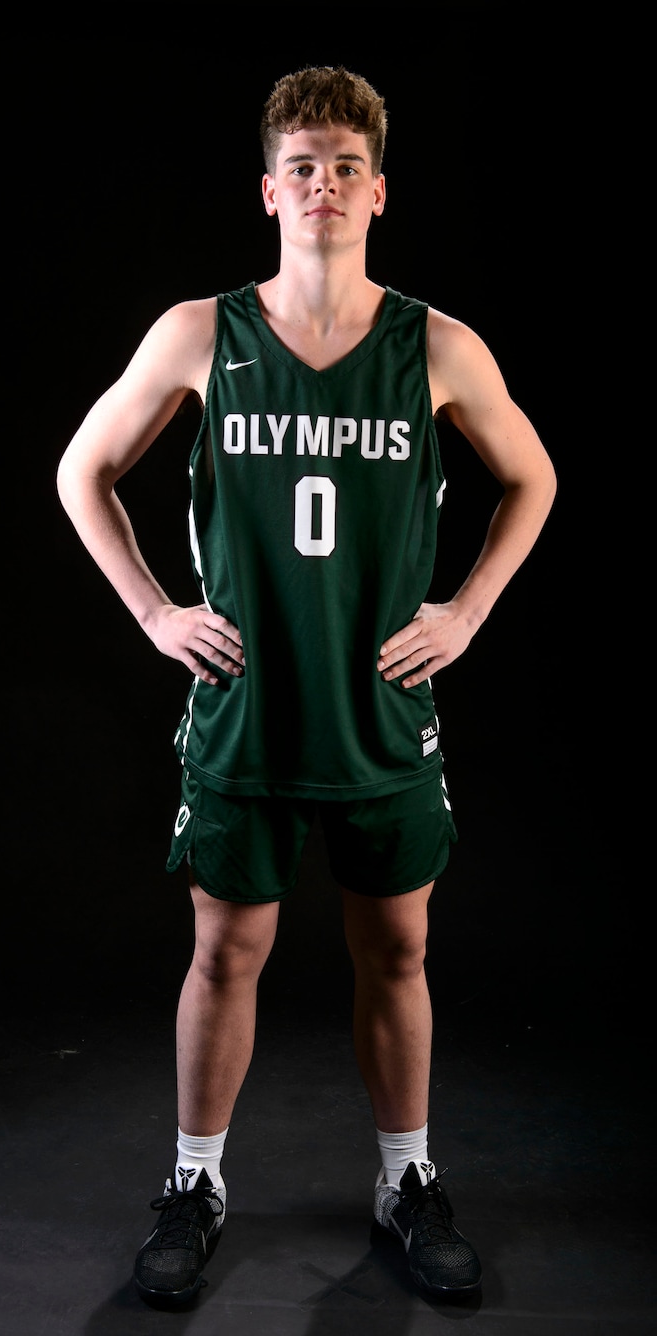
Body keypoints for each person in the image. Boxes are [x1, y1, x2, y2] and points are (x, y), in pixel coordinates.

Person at [56, 64, 556, 1309]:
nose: (321, 182)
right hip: (248, 701)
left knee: (399, 945)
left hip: (381, 704)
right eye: (301, 164)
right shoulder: (197, 333)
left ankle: (406, 1176)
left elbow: (532, 478)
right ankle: (194, 1180)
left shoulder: (435, 344)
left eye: (344, 165)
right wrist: (157, 612)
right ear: (268, 189)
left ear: (377, 191)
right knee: (225, 952)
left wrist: (465, 611)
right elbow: (83, 472)